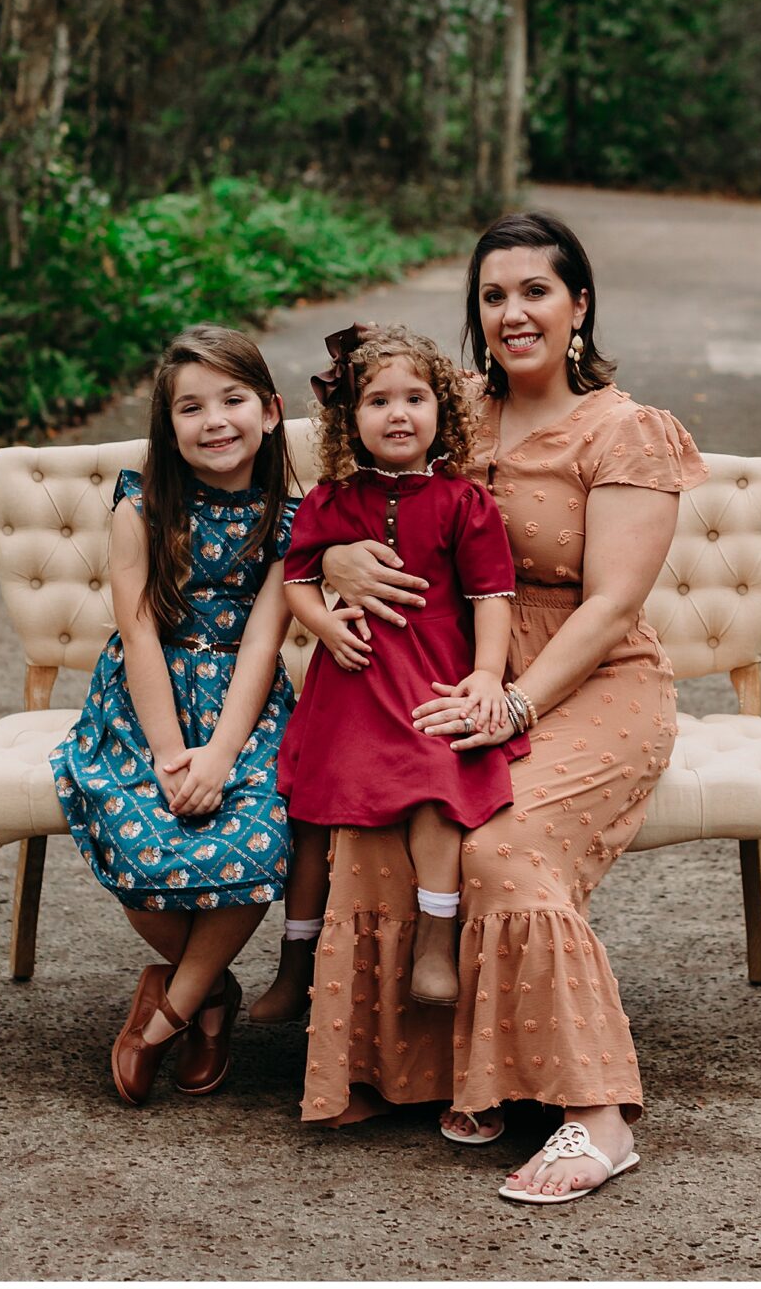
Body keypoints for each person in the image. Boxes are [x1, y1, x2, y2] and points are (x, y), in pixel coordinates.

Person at [300, 212, 707, 1203]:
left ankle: (597, 1116)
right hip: (440, 666)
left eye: (535, 290)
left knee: (498, 846)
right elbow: (339, 484)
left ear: (579, 303)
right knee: (389, 807)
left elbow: (613, 603)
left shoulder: (626, 429)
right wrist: (337, 558)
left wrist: (517, 700)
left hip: (587, 677)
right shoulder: (451, 408)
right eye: (493, 294)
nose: (513, 311)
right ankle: (434, 1070)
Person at [50, 324, 298, 1106]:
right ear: (169, 427)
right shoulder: (142, 507)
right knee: (136, 833)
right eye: (192, 407)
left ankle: (167, 1013)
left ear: (269, 412)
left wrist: (222, 754)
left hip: (243, 707)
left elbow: (264, 642)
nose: (215, 420)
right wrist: (167, 753)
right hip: (141, 701)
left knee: (264, 833)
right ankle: (212, 993)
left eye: (233, 399)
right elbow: (140, 628)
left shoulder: (291, 521)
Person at [264, 323, 526, 1011]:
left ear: (442, 411)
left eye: (415, 398)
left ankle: (434, 944)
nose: (399, 413)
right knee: (310, 801)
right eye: (378, 401)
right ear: (350, 420)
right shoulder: (331, 499)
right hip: (350, 676)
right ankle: (296, 957)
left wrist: (488, 676)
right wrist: (324, 624)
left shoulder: (463, 502)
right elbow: (296, 582)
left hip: (433, 670)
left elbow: (490, 595)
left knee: (439, 777)